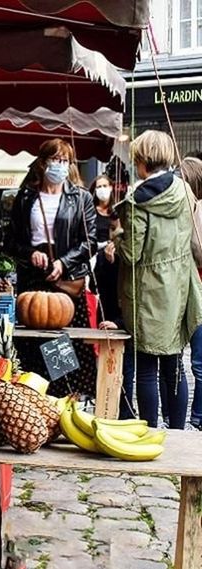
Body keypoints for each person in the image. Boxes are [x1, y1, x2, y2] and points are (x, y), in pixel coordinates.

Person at [114, 130, 202, 429]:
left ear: (141, 161)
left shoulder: (137, 200)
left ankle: (149, 429)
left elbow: (132, 254)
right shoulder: (184, 189)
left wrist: (117, 237)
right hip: (181, 286)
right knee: (174, 365)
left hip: (149, 290)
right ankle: (177, 431)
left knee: (147, 368)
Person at [6, 138, 97, 396]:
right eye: (55, 159)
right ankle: (32, 397)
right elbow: (10, 241)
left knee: (62, 348)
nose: (59, 165)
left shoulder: (81, 198)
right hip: (33, 281)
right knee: (32, 347)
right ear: (43, 163)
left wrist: (64, 263)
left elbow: (89, 241)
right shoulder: (26, 197)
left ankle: (63, 398)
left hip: (65, 285)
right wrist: (31, 253)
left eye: (64, 160)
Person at [91, 174, 136, 419]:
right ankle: (109, 407)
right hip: (108, 315)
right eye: (110, 229)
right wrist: (107, 262)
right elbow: (97, 285)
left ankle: (125, 410)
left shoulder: (129, 254)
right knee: (109, 365)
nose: (114, 234)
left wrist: (119, 322)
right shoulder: (104, 255)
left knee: (126, 367)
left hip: (124, 318)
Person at [177, 156, 202, 428]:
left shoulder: (198, 209)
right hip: (186, 288)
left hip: (197, 290)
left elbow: (198, 250)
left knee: (198, 360)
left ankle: (199, 416)